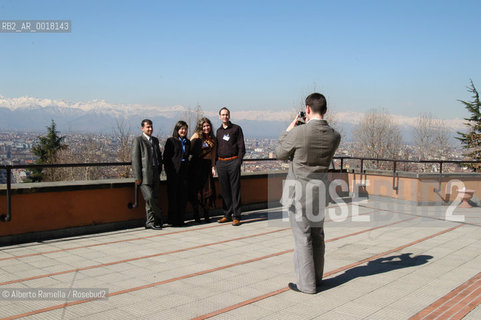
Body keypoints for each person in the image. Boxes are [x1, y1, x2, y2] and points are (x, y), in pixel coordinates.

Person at [276, 93, 341, 294]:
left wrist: (289, 128)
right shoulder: (334, 136)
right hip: (320, 192)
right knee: (317, 235)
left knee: (303, 238)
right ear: (326, 110)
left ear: (307, 109)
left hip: (299, 193)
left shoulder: (299, 133)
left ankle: (306, 285)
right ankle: (317, 278)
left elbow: (280, 153)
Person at [131, 119, 164, 230]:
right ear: (142, 128)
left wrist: (159, 169)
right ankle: (159, 215)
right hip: (144, 176)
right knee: (149, 197)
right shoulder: (138, 140)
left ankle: (150, 222)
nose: (150, 129)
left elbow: (159, 156)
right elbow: (135, 160)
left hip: (155, 173)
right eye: (148, 127)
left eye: (151, 127)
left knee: (153, 197)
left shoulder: (155, 140)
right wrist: (137, 177)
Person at [216, 107, 245, 227]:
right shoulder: (218, 131)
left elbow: (241, 147)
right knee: (225, 190)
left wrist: (238, 161)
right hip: (221, 163)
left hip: (233, 162)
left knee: (235, 189)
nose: (225, 116)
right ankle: (227, 214)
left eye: (226, 114)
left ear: (229, 115)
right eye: (222, 115)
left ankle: (236, 216)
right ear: (219, 117)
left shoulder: (236, 129)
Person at [189, 117, 217, 223]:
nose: (206, 128)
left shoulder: (213, 139)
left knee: (207, 189)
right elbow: (189, 147)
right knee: (196, 189)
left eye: (208, 126)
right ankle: (196, 213)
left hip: (206, 165)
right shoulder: (197, 136)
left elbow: (213, 154)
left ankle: (206, 213)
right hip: (196, 165)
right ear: (201, 127)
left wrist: (213, 167)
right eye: (204, 126)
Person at [164, 121, 191, 227]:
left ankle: (181, 219)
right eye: (181, 129)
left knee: (183, 196)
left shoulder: (187, 142)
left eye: (185, 129)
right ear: (177, 130)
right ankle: (173, 220)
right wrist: (169, 172)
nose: (183, 131)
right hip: (174, 172)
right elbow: (166, 158)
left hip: (184, 172)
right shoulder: (171, 141)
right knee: (173, 196)